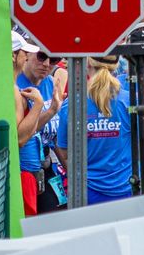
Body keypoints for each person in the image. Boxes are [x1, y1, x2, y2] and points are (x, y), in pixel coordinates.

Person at [54, 56, 132, 205]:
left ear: (88, 63)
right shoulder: (130, 101)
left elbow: (64, 152)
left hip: (86, 192)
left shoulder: (72, 104)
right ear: (116, 65)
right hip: (124, 189)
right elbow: (143, 144)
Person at [13, 33, 63, 214]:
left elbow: (56, 135)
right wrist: (49, 111)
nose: (47, 64)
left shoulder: (50, 83)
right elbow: (22, 135)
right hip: (25, 169)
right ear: (27, 55)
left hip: (47, 166)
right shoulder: (17, 85)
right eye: (42, 56)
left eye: (54, 59)